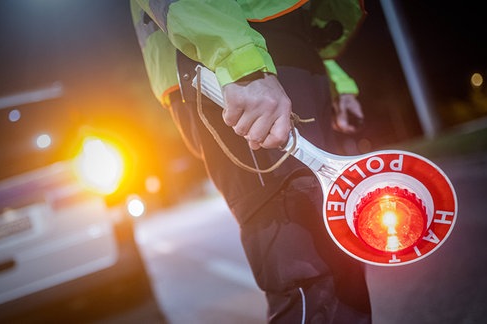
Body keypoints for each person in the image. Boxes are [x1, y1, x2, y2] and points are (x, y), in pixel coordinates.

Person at [130, 1, 371, 323]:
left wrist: (334, 79)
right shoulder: (239, 56)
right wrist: (240, 64)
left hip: (281, 48)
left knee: (343, 258)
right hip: (231, 53)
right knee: (305, 272)